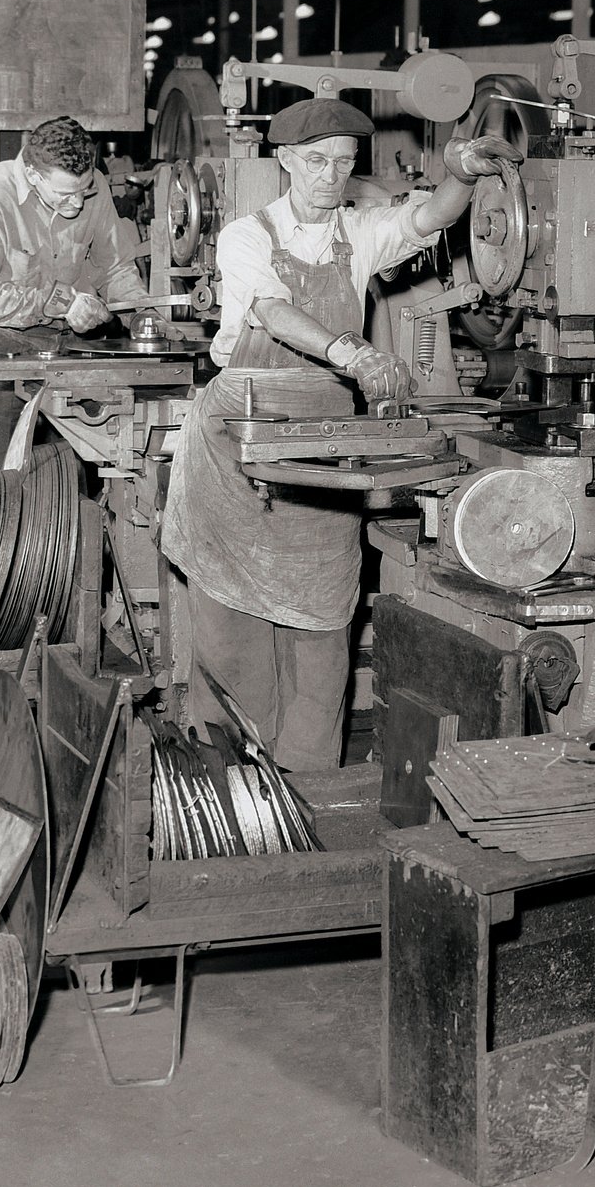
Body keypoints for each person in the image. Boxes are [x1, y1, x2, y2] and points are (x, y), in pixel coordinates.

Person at [160, 97, 519, 770]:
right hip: (239, 446)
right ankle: (227, 782)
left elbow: (433, 215)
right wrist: (351, 353)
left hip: (323, 451)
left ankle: (307, 790)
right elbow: (269, 308)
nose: (331, 175)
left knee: (323, 629)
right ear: (286, 160)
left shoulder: (359, 233)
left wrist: (463, 170)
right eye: (317, 161)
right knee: (234, 629)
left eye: (345, 163)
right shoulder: (246, 236)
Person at [0, 115, 141, 473]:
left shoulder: (94, 186)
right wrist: (62, 303)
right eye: (64, 194)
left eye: (83, 190)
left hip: (70, 351)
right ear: (33, 175)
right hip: (0, 350)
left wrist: (139, 313)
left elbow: (115, 265)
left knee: (73, 476)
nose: (77, 204)